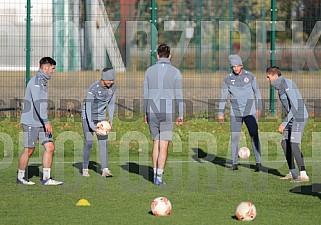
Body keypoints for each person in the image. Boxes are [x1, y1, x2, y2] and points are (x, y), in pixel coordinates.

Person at [17, 57, 63, 185]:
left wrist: (44, 121)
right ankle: (20, 177)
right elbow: (38, 104)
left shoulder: (42, 81)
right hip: (31, 121)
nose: (53, 71)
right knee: (29, 149)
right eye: (52, 68)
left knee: (50, 147)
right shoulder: (36, 82)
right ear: (45, 68)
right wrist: (46, 121)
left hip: (41, 121)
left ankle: (46, 179)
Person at [144, 43, 183, 185]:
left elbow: (146, 94)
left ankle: (154, 174)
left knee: (156, 143)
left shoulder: (149, 71)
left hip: (152, 111)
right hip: (167, 111)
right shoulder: (175, 72)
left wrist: (145, 112)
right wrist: (181, 114)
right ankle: (159, 177)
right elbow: (179, 94)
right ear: (170, 55)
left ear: (157, 55)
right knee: (164, 144)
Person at [218, 54, 263, 171]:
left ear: (241, 66)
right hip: (235, 113)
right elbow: (223, 97)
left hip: (250, 112)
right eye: (233, 66)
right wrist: (220, 113)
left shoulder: (250, 76)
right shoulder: (227, 79)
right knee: (235, 137)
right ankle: (234, 164)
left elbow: (257, 92)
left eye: (237, 66)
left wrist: (259, 107)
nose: (236, 68)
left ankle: (258, 163)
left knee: (254, 136)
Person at [266, 66, 309, 182]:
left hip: (299, 117)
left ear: (275, 76)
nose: (267, 79)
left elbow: (295, 107)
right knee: (285, 143)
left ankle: (303, 175)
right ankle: (293, 173)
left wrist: (284, 123)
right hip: (292, 118)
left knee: (293, 144)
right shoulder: (280, 86)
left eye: (268, 77)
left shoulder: (286, 84)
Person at [82, 67, 116, 177]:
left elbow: (111, 104)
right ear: (103, 78)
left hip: (101, 118)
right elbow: (88, 107)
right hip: (88, 117)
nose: (112, 82)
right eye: (110, 80)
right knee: (89, 142)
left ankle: (105, 169)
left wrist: (110, 119)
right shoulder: (93, 88)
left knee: (103, 143)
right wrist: (92, 125)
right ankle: (85, 168)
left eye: (113, 79)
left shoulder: (113, 87)